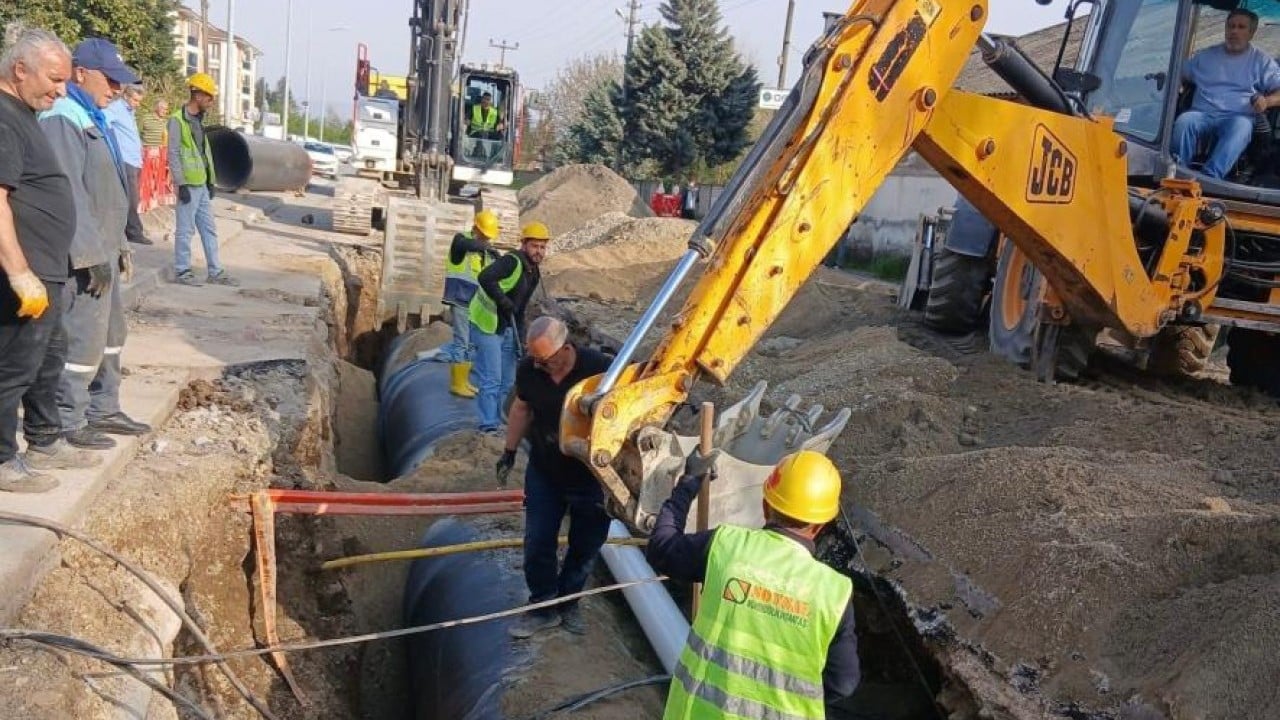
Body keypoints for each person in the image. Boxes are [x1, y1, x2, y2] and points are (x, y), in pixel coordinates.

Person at [647, 449, 861, 718]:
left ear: (765, 505)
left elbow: (662, 548)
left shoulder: (726, 547)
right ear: (822, 525)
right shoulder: (835, 593)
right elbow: (843, 683)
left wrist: (689, 483)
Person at [0, 29, 101, 492]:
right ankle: (2, 459)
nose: (61, 90)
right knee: (14, 366)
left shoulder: (25, 115)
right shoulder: (4, 118)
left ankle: (43, 438)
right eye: (54, 79)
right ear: (20, 70)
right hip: (27, 272)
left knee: (46, 356)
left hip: (48, 268)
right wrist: (20, 273)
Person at [40, 38, 153, 452]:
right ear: (80, 73)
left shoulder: (94, 116)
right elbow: (69, 192)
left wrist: (120, 242)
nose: (117, 90)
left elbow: (109, 190)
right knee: (82, 337)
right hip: (83, 256)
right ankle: (68, 417)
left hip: (105, 246)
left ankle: (103, 406)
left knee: (110, 332)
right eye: (111, 80)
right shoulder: (63, 118)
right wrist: (88, 254)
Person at [498, 316, 613, 638]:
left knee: (585, 545)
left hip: (590, 476)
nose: (539, 365)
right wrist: (508, 451)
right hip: (545, 469)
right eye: (534, 358)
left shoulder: (601, 369)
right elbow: (522, 409)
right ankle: (543, 606)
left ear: (565, 348)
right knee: (538, 539)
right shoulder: (530, 370)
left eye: (545, 360)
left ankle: (569, 602)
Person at [1173, 8, 1280, 179]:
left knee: (1242, 127)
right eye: (1230, 26)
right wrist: (1176, 83)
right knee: (1184, 121)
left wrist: (1266, 101)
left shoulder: (1261, 61)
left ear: (1251, 33)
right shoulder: (1206, 57)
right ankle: (1178, 174)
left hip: (1236, 117)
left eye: (1241, 27)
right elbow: (1178, 73)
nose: (1234, 31)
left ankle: (1210, 177)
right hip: (1202, 114)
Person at [468, 221, 548, 434]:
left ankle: (500, 419)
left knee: (508, 379)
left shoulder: (534, 272)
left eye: (542, 247)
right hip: (487, 323)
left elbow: (520, 307)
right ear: (524, 244)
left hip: (507, 325)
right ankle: (488, 425)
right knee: (491, 377)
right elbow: (485, 277)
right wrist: (503, 301)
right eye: (534, 246)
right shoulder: (512, 262)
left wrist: (520, 336)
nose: (538, 251)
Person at [168, 72, 237, 286]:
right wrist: (180, 183)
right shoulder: (178, 120)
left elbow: (203, 153)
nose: (211, 101)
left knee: (209, 229)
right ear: (197, 95)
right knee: (185, 230)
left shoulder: (198, 121)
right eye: (208, 96)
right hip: (188, 184)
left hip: (202, 185)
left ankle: (215, 272)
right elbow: (174, 153)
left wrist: (210, 180)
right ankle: (182, 272)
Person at [434, 209, 500, 397]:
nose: (487, 239)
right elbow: (466, 244)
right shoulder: (460, 240)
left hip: (475, 305)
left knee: (471, 344)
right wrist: (486, 247)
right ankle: (457, 383)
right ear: (475, 229)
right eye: (484, 235)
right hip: (460, 299)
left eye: (489, 237)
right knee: (461, 342)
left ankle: (464, 381)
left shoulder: (485, 251)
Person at [104, 84, 153, 245]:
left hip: (134, 159)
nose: (137, 103)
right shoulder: (116, 108)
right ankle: (134, 231)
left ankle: (127, 229)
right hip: (125, 160)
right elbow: (103, 121)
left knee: (132, 196)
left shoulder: (130, 112)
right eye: (135, 100)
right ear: (126, 96)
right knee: (132, 197)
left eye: (139, 101)